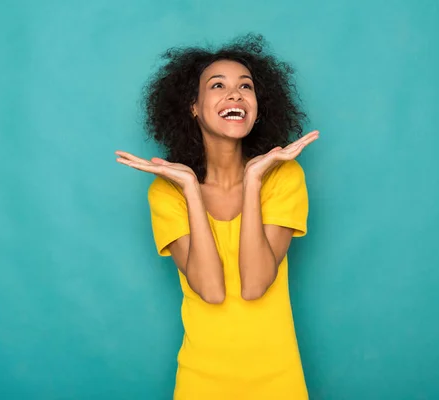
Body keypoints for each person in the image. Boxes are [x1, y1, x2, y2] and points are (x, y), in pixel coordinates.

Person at [115, 33, 319, 400]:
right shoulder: (168, 191)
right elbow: (210, 291)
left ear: (258, 106)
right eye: (218, 85)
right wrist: (191, 189)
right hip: (201, 380)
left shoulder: (283, 178)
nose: (236, 93)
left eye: (246, 86)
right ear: (193, 106)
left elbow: (255, 285)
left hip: (278, 379)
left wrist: (254, 179)